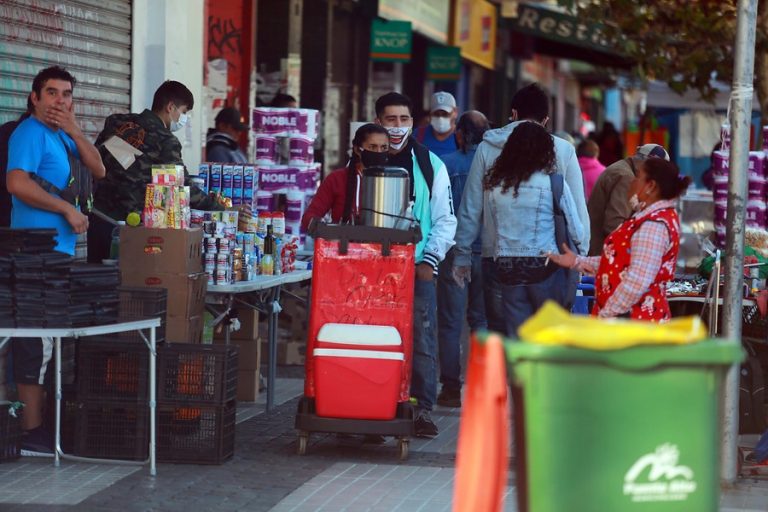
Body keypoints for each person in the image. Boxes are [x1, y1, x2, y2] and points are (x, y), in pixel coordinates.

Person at [6, 65, 106, 454]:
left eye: (66, 94)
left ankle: (41, 427)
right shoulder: (29, 133)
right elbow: (17, 182)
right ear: (34, 97)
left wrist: (76, 128)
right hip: (33, 251)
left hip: (56, 254)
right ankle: (32, 432)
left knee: (46, 338)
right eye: (51, 93)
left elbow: (99, 169)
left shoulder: (63, 135)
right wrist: (65, 209)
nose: (59, 101)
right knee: (35, 339)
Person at [452, 83, 590, 333]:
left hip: (497, 258)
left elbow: (471, 208)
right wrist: (579, 258)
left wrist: (462, 256)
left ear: (513, 114)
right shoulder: (563, 150)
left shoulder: (486, 149)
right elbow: (577, 213)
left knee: (502, 333)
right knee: (546, 332)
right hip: (552, 261)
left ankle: (505, 373)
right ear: (546, 120)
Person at [374, 92, 457, 437]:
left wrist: (431, 259)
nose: (397, 127)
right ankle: (373, 405)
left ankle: (420, 409)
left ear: (413, 122)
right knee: (375, 339)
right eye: (390, 120)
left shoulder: (430, 164)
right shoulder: (364, 160)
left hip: (417, 266)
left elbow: (446, 219)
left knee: (422, 340)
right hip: (370, 270)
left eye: (403, 119)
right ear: (378, 121)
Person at [88, 80, 219, 263]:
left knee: (93, 283)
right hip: (130, 230)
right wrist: (219, 207)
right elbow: (183, 187)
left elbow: (110, 165)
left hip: (99, 219)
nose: (184, 118)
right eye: (183, 112)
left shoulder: (118, 123)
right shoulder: (165, 141)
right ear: (170, 107)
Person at [548, 157, 691, 321]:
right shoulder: (649, 218)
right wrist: (577, 261)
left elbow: (637, 281)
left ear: (650, 186)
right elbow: (620, 262)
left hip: (635, 325)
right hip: (627, 320)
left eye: (638, 177)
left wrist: (606, 314)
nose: (632, 181)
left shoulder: (653, 225)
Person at [435, 111, 489, 408]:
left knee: (450, 322)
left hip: (455, 251)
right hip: (487, 251)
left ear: (459, 134)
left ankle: (451, 388)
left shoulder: (447, 165)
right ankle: (480, 385)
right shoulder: (495, 165)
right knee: (480, 320)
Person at [300, 123, 389, 229]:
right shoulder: (337, 179)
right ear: (357, 150)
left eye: (384, 148)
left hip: (382, 243)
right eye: (372, 147)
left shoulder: (395, 181)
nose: (379, 152)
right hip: (343, 243)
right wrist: (324, 228)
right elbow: (309, 217)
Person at [587, 143, 670, 256]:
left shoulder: (624, 168)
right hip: (602, 252)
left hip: (597, 246)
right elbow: (614, 224)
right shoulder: (627, 178)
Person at [414, 92, 458, 157]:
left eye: (445, 114)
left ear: (455, 112)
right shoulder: (418, 134)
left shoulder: (462, 137)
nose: (440, 118)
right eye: (436, 114)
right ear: (430, 114)